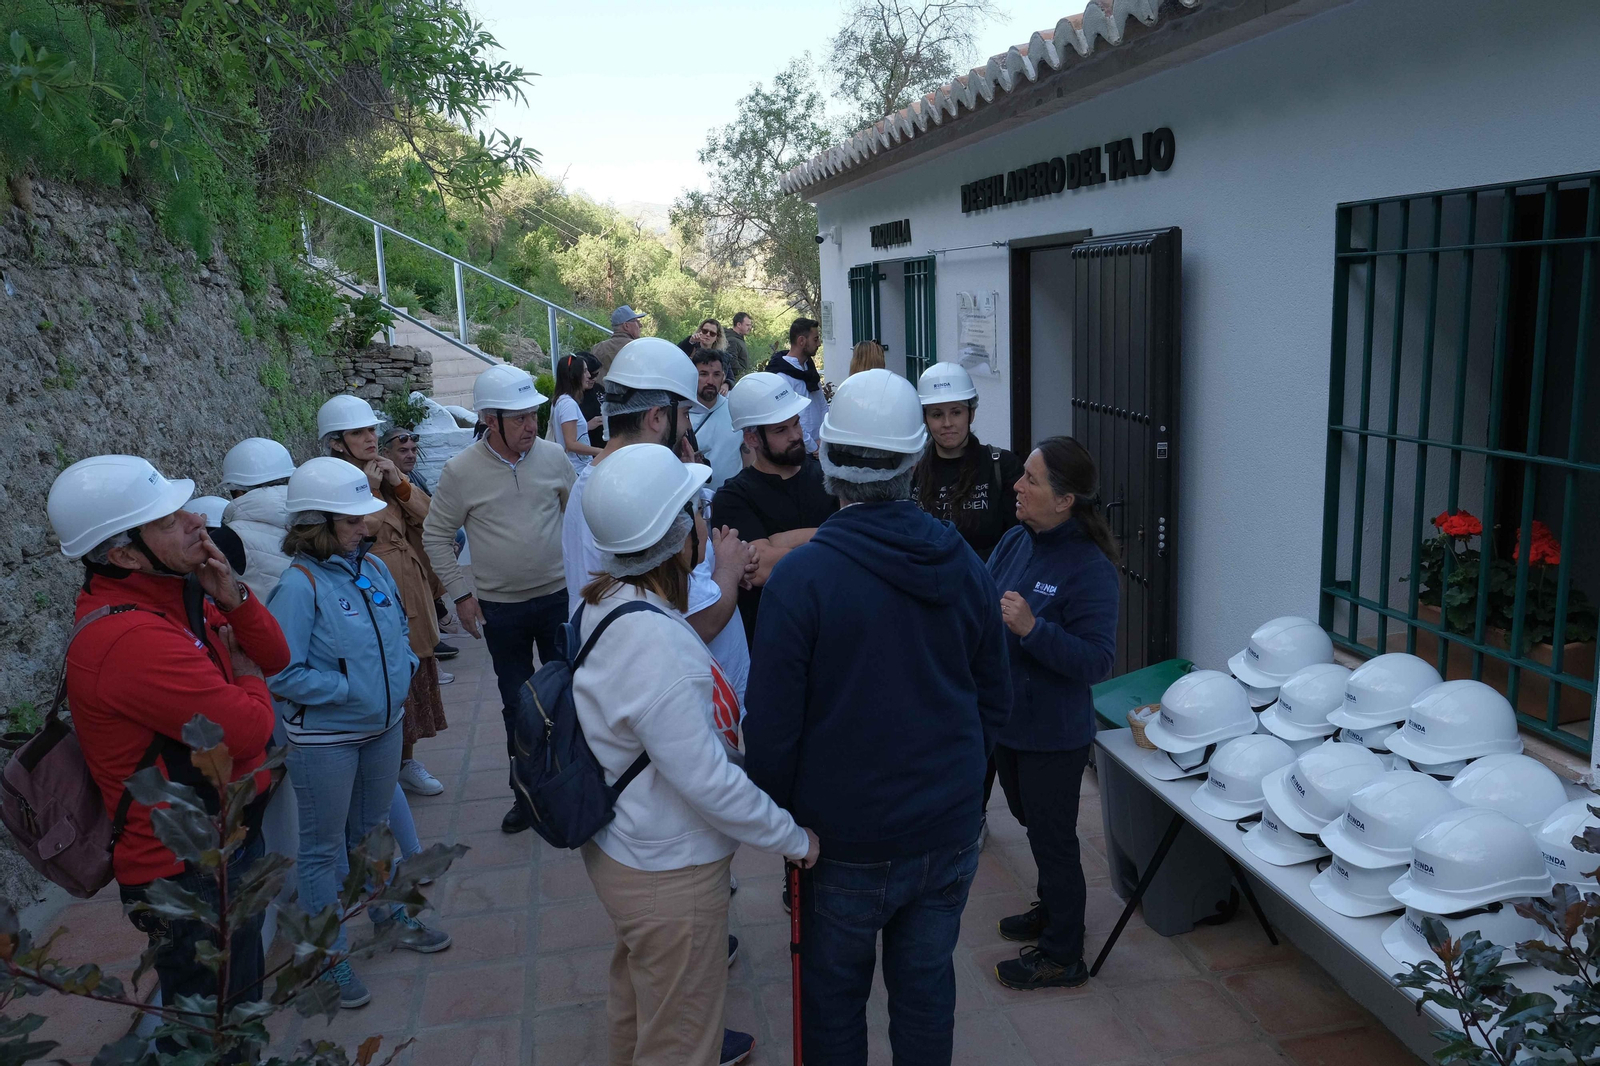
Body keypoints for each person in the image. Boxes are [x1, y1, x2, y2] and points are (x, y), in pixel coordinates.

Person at [744, 369, 1012, 1066]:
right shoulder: (964, 565)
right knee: (926, 993)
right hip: (945, 832)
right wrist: (956, 787)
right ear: (917, 461)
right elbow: (995, 700)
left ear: (827, 462)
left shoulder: (802, 580)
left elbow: (770, 733)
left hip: (842, 843)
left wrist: (785, 825)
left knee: (832, 1007)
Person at [573, 443, 818, 1066]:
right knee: (683, 1041)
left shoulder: (605, 600)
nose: (707, 528)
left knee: (640, 1011)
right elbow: (708, 782)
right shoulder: (661, 646)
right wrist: (794, 838)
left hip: (625, 850)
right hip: (669, 875)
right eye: (697, 514)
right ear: (679, 536)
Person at [49, 455, 289, 1023]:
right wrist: (246, 673)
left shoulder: (174, 598)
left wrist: (233, 597)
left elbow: (275, 655)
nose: (193, 522)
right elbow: (252, 729)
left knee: (234, 1003)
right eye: (166, 520)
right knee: (218, 1026)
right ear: (124, 554)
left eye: (182, 507)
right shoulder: (131, 638)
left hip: (217, 844)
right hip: (186, 867)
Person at [266, 457, 450, 1009]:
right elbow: (282, 672)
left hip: (383, 727)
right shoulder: (297, 587)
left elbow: (396, 627)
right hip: (327, 742)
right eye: (351, 521)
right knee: (323, 852)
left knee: (371, 836)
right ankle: (329, 959)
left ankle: (388, 913)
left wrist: (400, 673)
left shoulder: (369, 568)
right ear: (317, 525)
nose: (364, 526)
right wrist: (351, 692)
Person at [986, 436, 1120, 991]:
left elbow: (1097, 661)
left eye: (1031, 480)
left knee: (1054, 839)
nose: (1017, 485)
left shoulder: (1090, 569)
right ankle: (1050, 907)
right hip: (1011, 724)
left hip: (1053, 735)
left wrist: (1033, 631)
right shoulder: (1018, 539)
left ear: (1065, 500)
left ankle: (1063, 954)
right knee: (1031, 824)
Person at [422, 365, 575, 834]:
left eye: (534, 415)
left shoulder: (553, 459)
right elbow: (435, 534)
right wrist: (463, 596)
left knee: (567, 698)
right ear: (492, 420)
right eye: (521, 418)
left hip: (557, 600)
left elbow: (579, 522)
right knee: (518, 705)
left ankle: (568, 789)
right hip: (501, 611)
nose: (532, 425)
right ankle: (526, 796)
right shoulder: (461, 471)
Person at [319, 397, 452, 799]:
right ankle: (387, 769)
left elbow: (432, 517)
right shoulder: (334, 479)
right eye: (358, 432)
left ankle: (404, 763)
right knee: (389, 676)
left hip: (406, 585)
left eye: (371, 430)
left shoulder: (383, 472)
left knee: (414, 673)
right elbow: (358, 533)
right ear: (337, 442)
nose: (370, 438)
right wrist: (375, 489)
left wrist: (399, 484)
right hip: (369, 592)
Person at [711, 372, 838, 643]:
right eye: (781, 430)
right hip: (773, 640)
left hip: (833, 633)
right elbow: (761, 569)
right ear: (752, 439)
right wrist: (836, 537)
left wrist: (782, 541)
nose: (796, 436)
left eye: (795, 424)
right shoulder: (733, 497)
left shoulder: (829, 478)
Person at [378, 425, 460, 664]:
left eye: (414, 449)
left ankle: (435, 619)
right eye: (403, 450)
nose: (411, 455)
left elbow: (431, 513)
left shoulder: (410, 477)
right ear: (386, 453)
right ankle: (436, 619)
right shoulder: (381, 479)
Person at [764, 318, 828, 454]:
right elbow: (790, 419)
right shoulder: (782, 377)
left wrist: (825, 440)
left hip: (821, 445)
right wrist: (813, 447)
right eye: (815, 339)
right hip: (801, 450)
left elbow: (822, 405)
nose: (819, 343)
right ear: (801, 341)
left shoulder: (810, 370)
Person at [689, 347, 741, 490]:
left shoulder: (735, 409)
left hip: (734, 500)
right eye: (703, 374)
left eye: (716, 374)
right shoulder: (679, 416)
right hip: (695, 503)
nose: (710, 381)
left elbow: (749, 454)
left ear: (723, 377)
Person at [546, 354, 605, 473]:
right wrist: (601, 452)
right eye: (585, 371)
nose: (589, 375)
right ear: (574, 376)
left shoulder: (560, 400)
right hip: (577, 469)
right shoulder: (569, 404)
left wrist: (587, 425)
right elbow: (571, 444)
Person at [590, 305, 647, 383]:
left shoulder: (598, 348)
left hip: (602, 394)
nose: (640, 325)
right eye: (636, 321)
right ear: (626, 326)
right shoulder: (639, 348)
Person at [679, 317, 734, 384]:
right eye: (705, 331)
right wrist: (690, 341)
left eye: (712, 333)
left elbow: (730, 378)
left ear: (717, 337)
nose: (708, 335)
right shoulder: (690, 346)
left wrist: (727, 384)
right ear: (700, 332)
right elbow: (676, 355)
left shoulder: (722, 356)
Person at [726, 312, 754, 380]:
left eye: (750, 325)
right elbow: (732, 362)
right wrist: (743, 376)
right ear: (739, 324)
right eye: (747, 325)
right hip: (737, 380)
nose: (750, 328)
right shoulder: (732, 340)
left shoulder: (739, 339)